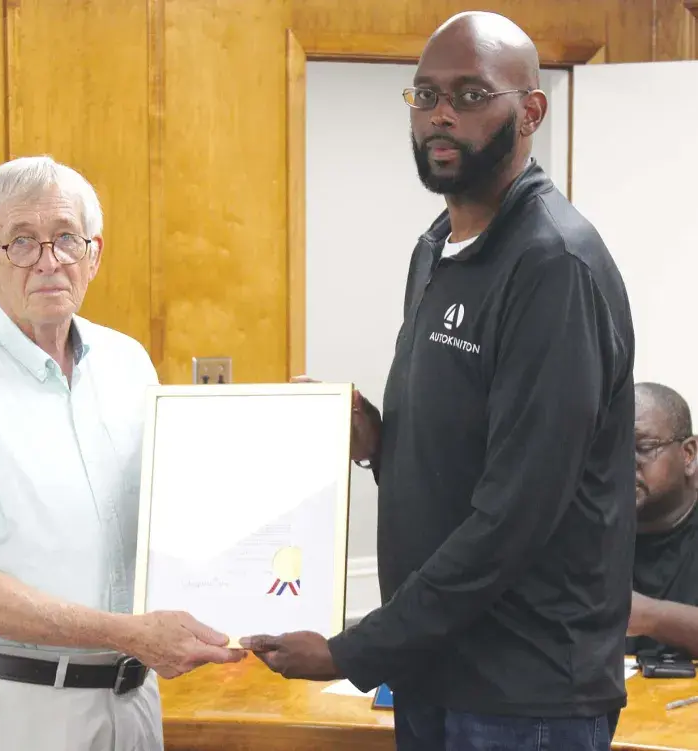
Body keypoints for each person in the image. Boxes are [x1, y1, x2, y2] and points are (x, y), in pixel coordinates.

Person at [241, 11, 635, 751]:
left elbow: (515, 514)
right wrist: (376, 440)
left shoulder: (553, 266)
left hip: (525, 695)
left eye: (470, 94)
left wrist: (354, 650)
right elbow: (462, 458)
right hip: (435, 673)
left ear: (531, 111)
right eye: (424, 96)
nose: (440, 115)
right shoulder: (436, 249)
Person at [0, 156, 244, 751]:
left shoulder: (129, 364)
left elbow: (172, 519)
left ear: (93, 254)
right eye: (22, 242)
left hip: (134, 700)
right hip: (16, 708)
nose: (49, 261)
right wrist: (129, 633)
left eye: (66, 238)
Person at [628, 382, 698, 660]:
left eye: (643, 447)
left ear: (688, 454)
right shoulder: (590, 529)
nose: (623, 461)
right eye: (611, 446)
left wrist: (648, 617)